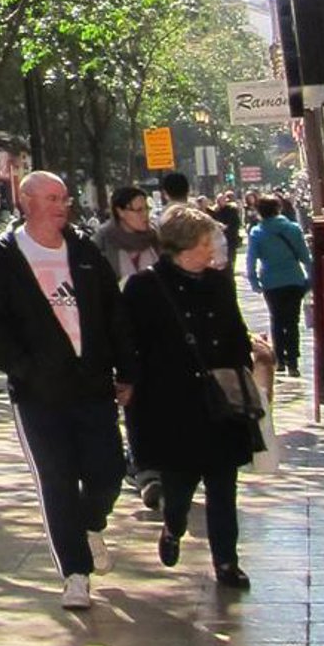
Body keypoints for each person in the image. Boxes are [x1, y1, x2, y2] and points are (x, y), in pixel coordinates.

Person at [0, 170, 132, 612]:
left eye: (64, 198)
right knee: (57, 481)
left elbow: (114, 314)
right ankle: (75, 574)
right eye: (52, 198)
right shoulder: (3, 258)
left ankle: (90, 523)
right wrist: (26, 369)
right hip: (38, 395)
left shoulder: (84, 251)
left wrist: (127, 370)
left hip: (92, 386)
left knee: (108, 472)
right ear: (27, 203)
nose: (63, 206)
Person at [124, 205, 271, 591]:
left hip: (220, 402)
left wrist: (246, 368)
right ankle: (173, 526)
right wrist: (127, 385)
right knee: (180, 485)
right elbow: (129, 345)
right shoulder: (144, 288)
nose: (212, 249)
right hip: (173, 404)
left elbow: (235, 332)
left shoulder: (218, 283)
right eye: (206, 243)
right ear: (185, 246)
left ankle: (226, 561)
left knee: (223, 484)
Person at [245, 194, 315, 377]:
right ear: (279, 208)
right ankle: (293, 361)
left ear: (259, 211)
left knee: (276, 319)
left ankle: (280, 360)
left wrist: (254, 281)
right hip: (294, 279)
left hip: (270, 282)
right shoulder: (293, 229)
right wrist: (311, 278)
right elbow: (305, 256)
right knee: (292, 320)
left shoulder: (257, 233)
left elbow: (251, 260)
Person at [94, 185, 160, 287]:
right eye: (139, 210)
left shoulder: (155, 238)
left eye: (147, 208)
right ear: (120, 212)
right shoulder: (103, 241)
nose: (145, 214)